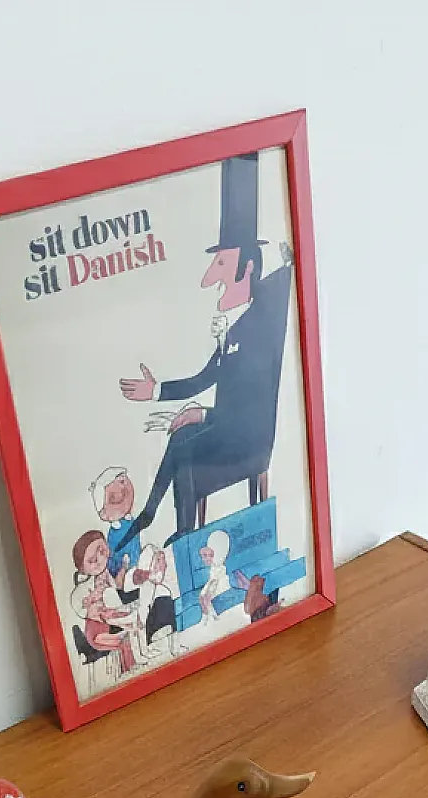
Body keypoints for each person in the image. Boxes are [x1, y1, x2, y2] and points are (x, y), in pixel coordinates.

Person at [112, 153, 293, 547]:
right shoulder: (233, 329)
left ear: (246, 271)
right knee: (179, 438)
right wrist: (156, 389)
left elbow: (251, 402)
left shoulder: (261, 325)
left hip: (248, 433)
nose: (211, 280)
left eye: (222, 267)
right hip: (227, 425)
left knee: (186, 446)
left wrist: (204, 412)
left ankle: (179, 532)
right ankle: (155, 517)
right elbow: (203, 377)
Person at [71, 530, 136, 674]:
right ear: (82, 568)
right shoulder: (85, 586)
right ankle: (129, 671)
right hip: (96, 631)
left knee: (127, 635)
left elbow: (117, 586)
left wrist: (124, 568)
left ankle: (131, 670)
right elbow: (84, 607)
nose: (99, 560)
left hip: (108, 621)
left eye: (102, 551)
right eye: (92, 560)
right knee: (122, 640)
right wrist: (93, 600)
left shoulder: (105, 574)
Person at [89, 466, 142, 579]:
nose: (123, 487)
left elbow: (136, 544)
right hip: (123, 573)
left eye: (123, 481)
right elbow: (112, 556)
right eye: (114, 498)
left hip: (137, 566)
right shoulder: (114, 534)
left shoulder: (131, 522)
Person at [198, 531, 230, 619]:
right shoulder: (213, 566)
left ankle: (212, 615)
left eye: (210, 555)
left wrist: (211, 588)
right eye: (204, 556)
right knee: (202, 596)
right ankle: (206, 615)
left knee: (207, 597)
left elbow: (217, 578)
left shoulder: (219, 566)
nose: (206, 559)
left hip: (219, 582)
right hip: (213, 581)